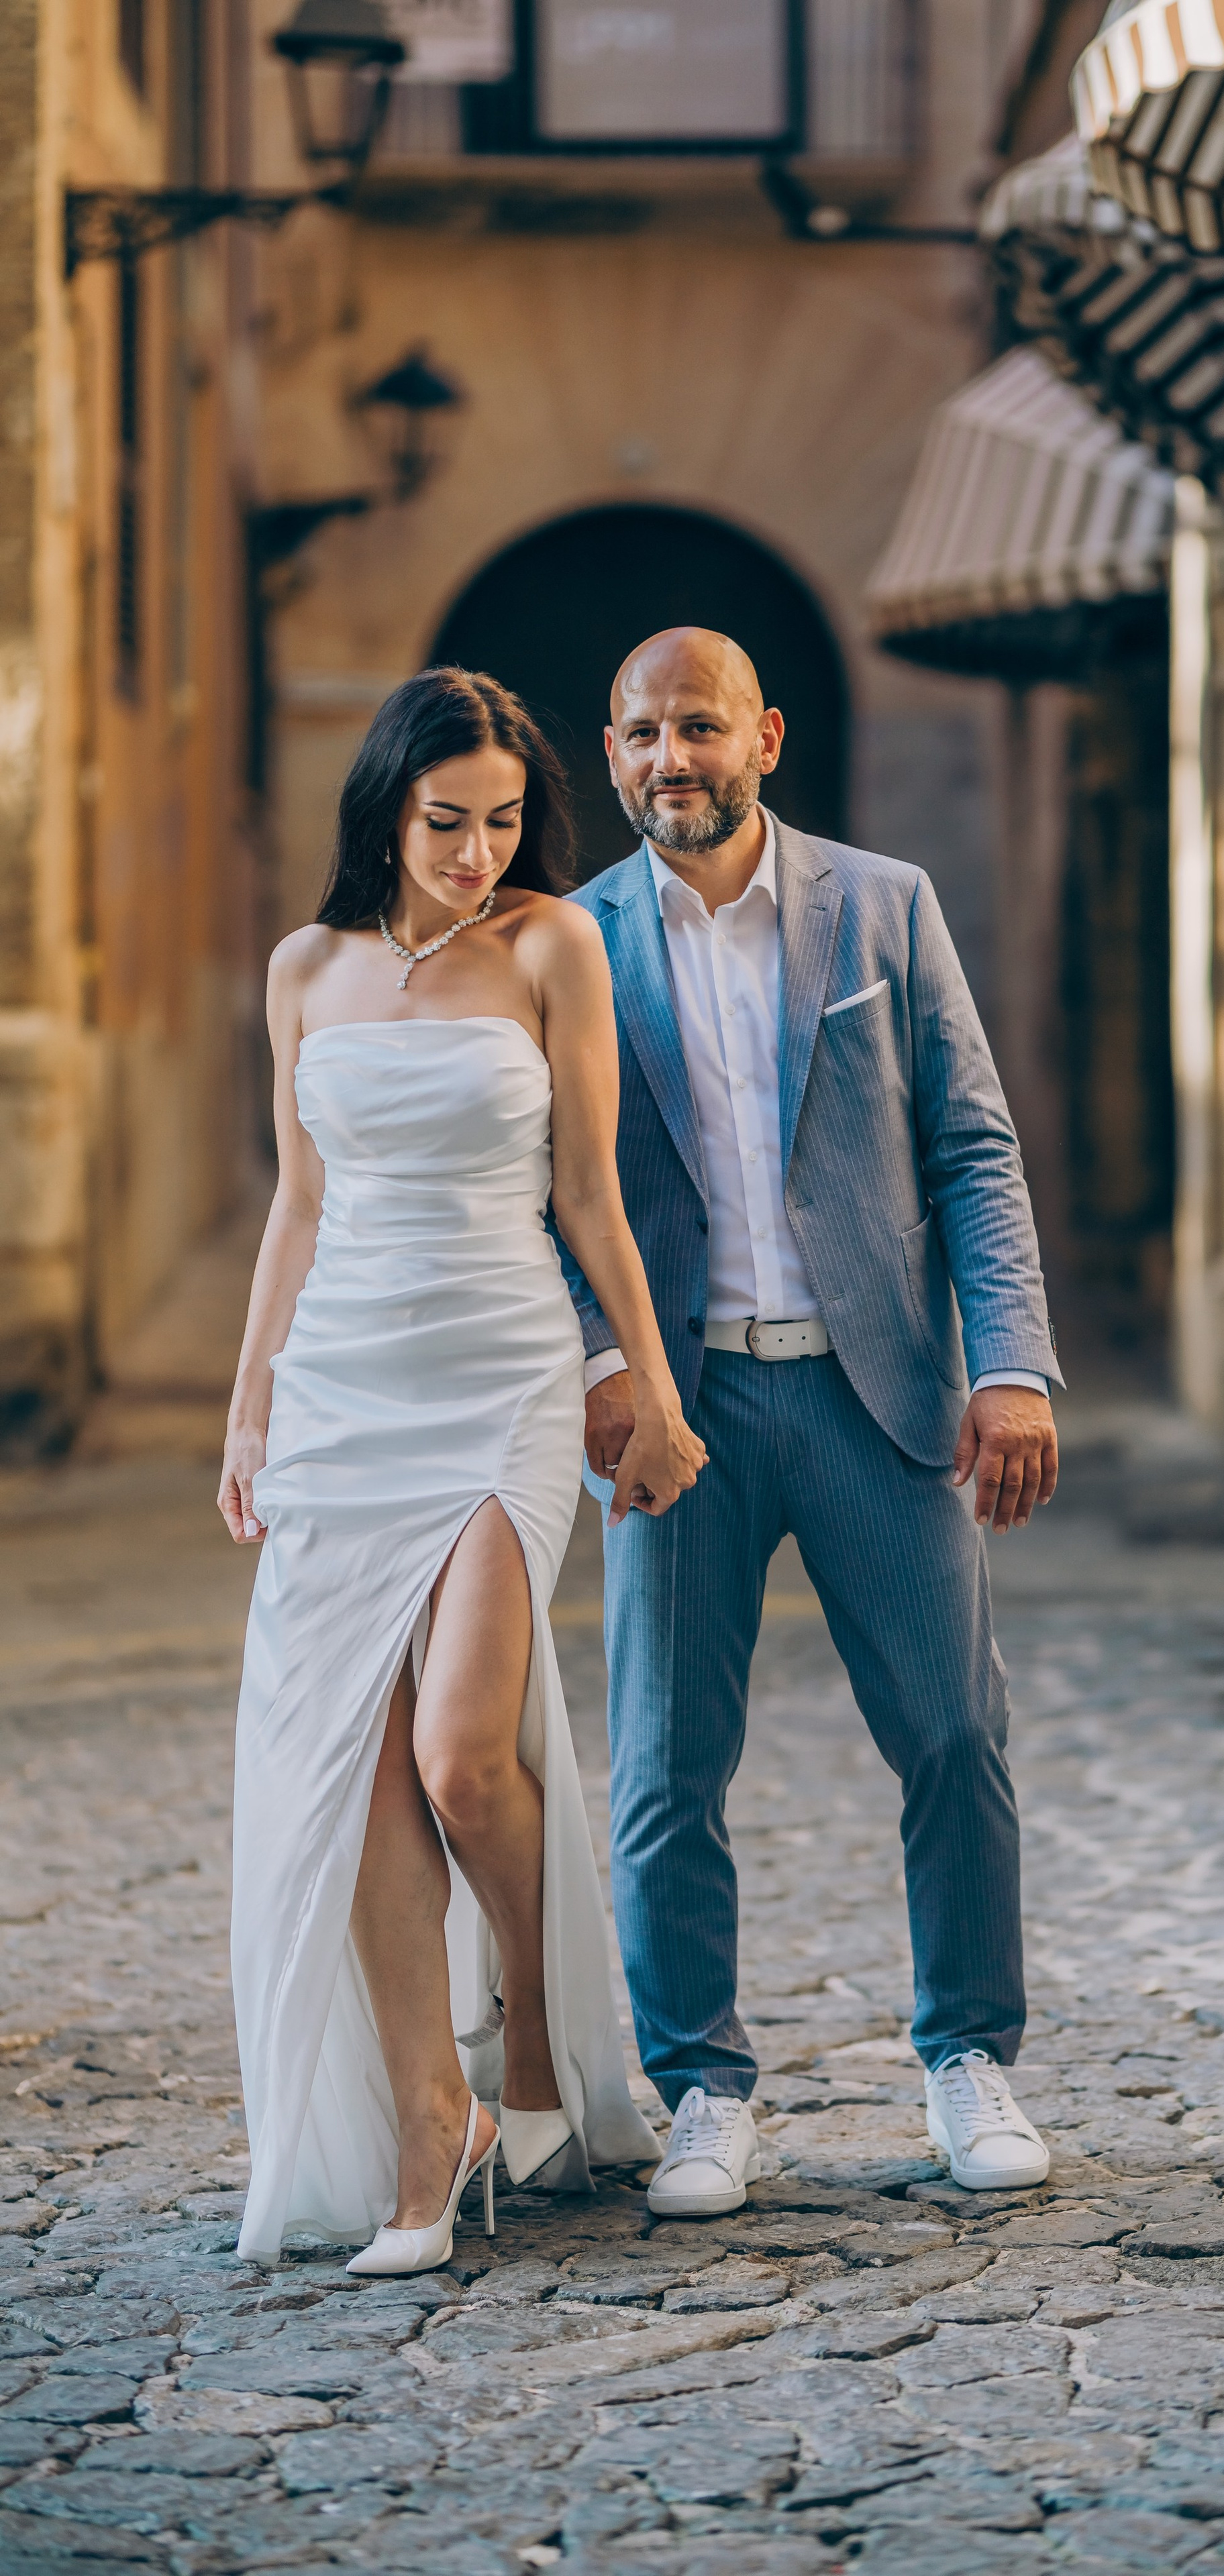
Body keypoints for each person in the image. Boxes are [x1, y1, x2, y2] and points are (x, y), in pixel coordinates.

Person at [560, 626, 1064, 2218]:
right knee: (663, 1770)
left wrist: (1010, 1365)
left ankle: (967, 2055)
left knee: (952, 1736)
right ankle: (700, 2088)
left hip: (876, 1395)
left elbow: (970, 1148)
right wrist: (602, 1366)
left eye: (698, 728)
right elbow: (545, 1188)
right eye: (642, 733)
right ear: (613, 750)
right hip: (680, 1409)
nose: (671, 759)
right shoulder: (569, 944)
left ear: (763, 738)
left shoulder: (883, 907)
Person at [219, 667, 703, 2273]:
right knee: (355, 1763)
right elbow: (298, 1204)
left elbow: (590, 1194)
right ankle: (436, 2119)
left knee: (459, 1758)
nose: (475, 852)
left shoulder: (552, 945)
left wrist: (650, 1389)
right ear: (385, 811)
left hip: (501, 1381)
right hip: (342, 1396)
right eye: (445, 822)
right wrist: (250, 1407)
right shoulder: (305, 969)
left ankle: (540, 2027)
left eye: (501, 821)